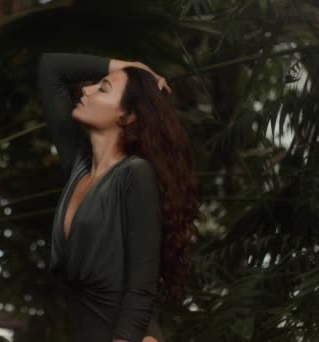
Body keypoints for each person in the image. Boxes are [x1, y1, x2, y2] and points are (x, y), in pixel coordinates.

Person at [37, 52, 201, 342]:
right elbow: (50, 68)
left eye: (102, 88)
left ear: (127, 116)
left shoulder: (135, 174)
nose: (85, 90)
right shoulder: (79, 168)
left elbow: (141, 288)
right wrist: (130, 66)